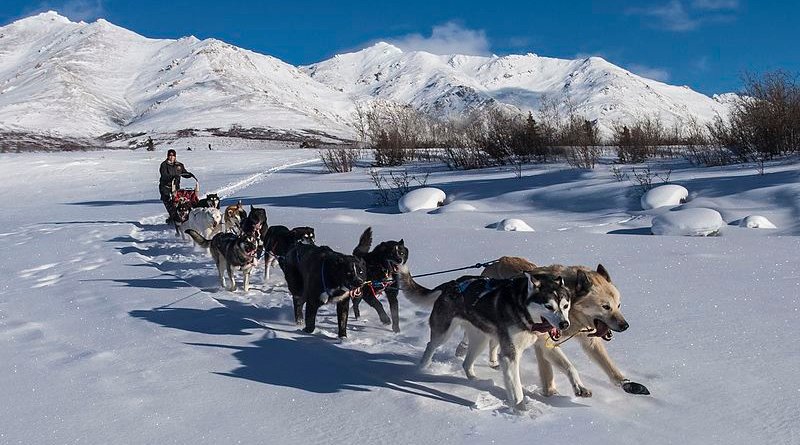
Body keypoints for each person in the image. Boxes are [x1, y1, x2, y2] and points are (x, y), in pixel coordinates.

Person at [159, 149, 192, 223]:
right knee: (168, 203)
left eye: (173, 156)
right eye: (170, 156)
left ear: (175, 156)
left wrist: (189, 175)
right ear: (167, 156)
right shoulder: (164, 165)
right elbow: (164, 175)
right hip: (165, 186)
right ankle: (172, 217)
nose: (171, 157)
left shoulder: (179, 165)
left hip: (175, 187)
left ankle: (179, 216)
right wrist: (173, 177)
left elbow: (184, 173)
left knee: (177, 202)